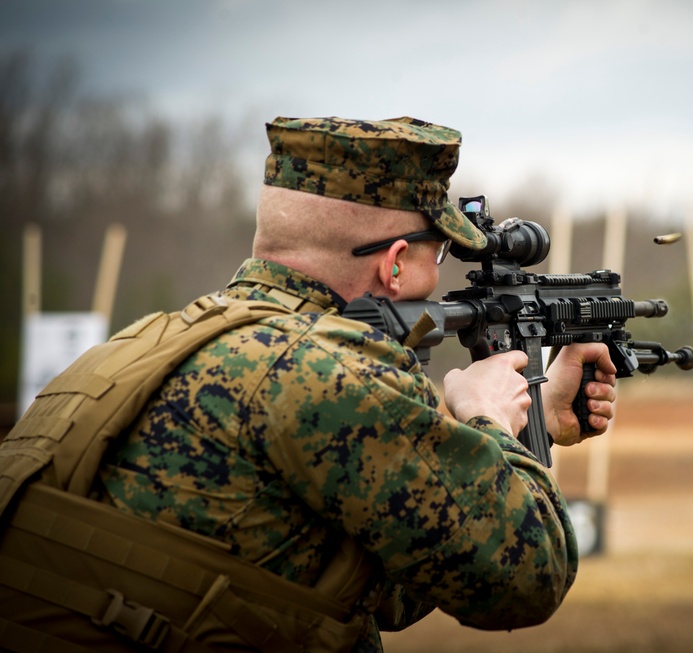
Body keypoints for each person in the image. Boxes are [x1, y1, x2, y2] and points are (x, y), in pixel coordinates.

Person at [88, 116, 618, 651]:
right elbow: (528, 577)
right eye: (437, 254)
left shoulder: (143, 346)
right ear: (393, 265)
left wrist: (538, 420)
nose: (439, 276)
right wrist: (488, 421)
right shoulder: (331, 376)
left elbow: (391, 577)